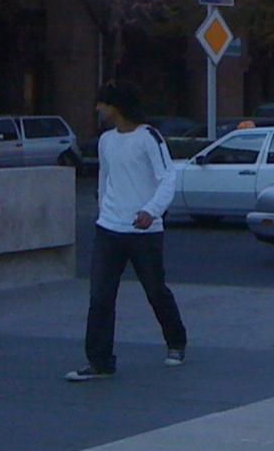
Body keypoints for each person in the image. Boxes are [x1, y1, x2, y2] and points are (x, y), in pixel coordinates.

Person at [68, 81, 188, 381]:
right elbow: (105, 178)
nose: (98, 109)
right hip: (109, 229)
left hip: (145, 232)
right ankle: (99, 361)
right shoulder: (106, 140)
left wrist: (151, 211)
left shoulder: (149, 138)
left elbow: (167, 178)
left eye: (102, 104)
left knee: (155, 291)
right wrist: (104, 209)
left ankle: (176, 341)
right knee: (100, 296)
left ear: (116, 107)